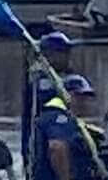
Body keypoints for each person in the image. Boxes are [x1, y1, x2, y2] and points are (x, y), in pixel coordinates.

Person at [30, 73, 108, 180]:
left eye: (86, 97)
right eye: (79, 96)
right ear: (66, 95)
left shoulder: (65, 119)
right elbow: (56, 146)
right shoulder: (57, 117)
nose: (84, 102)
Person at [20, 29, 74, 172]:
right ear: (49, 55)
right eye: (62, 52)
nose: (67, 56)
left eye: (67, 52)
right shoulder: (40, 81)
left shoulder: (65, 77)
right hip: (42, 145)